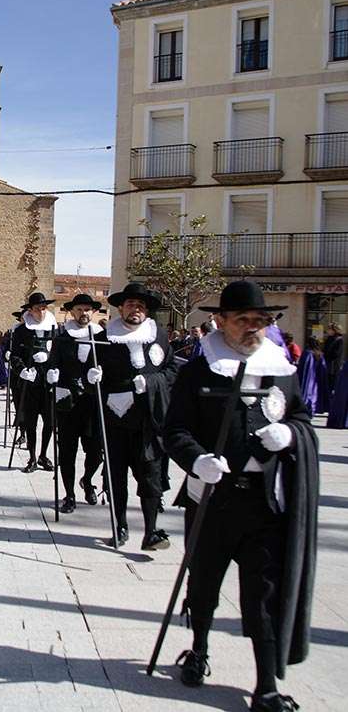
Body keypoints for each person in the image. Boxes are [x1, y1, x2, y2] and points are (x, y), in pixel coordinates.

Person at [164, 281, 318, 712]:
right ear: (221, 322)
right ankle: (198, 649)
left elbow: (302, 417)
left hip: (265, 501)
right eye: (244, 320)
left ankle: (266, 685)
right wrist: (197, 460)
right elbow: (174, 431)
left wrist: (288, 433)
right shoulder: (199, 369)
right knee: (205, 582)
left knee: (263, 592)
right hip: (213, 497)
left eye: (261, 321)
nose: (253, 328)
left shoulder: (280, 367)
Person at [95, 281, 178, 550]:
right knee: (116, 476)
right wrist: (91, 377)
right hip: (115, 419)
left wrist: (151, 383)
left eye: (141, 306)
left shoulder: (160, 337)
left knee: (150, 477)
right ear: (121, 308)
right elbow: (93, 374)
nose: (136, 309)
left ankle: (151, 531)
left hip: (148, 420)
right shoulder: (105, 338)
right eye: (131, 304)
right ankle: (119, 527)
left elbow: (171, 372)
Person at [46, 293, 106, 513]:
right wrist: (51, 374)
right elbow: (53, 363)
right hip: (68, 401)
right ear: (72, 312)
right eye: (79, 309)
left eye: (87, 309)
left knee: (95, 453)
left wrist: (101, 375)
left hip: (92, 402)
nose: (84, 313)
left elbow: (110, 366)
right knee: (68, 452)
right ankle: (69, 495)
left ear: (93, 312)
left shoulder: (102, 336)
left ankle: (87, 480)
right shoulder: (63, 337)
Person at [10, 292, 57, 473]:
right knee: (31, 421)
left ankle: (44, 454)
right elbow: (15, 355)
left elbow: (60, 353)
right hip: (30, 380)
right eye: (38, 309)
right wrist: (22, 370)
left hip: (49, 380)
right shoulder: (21, 330)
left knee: (50, 422)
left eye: (44, 308)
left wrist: (55, 368)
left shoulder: (55, 329)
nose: (42, 312)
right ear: (30, 310)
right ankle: (31, 457)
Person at [296, 336, 328, 418]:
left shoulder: (307, 353)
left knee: (307, 394)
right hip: (316, 381)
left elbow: (303, 369)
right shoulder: (319, 354)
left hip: (309, 380)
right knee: (314, 395)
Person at [323, 323, 344, 394]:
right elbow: (324, 350)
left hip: (333, 366)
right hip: (327, 364)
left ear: (334, 330)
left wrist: (326, 354)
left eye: (329, 329)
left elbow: (336, 354)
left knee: (332, 383)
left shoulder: (339, 340)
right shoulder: (329, 339)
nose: (328, 331)